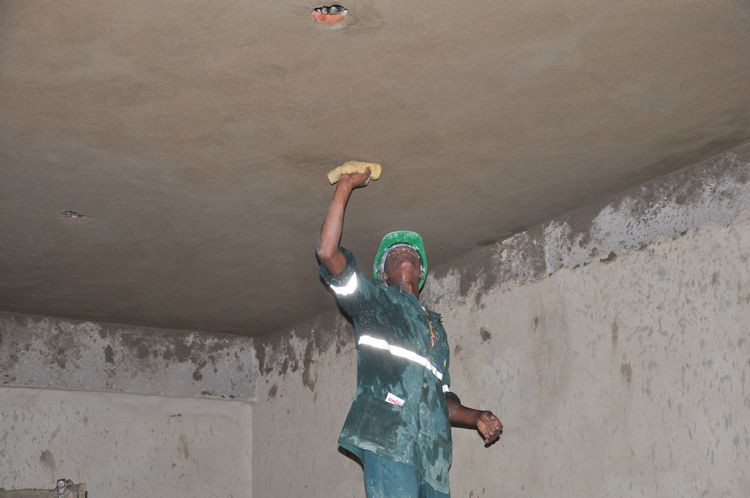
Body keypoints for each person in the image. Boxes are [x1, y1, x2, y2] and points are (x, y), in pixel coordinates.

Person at [316, 168, 503, 498]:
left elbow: (442, 401)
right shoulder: (375, 304)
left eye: (412, 253)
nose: (404, 251)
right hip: (389, 439)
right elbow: (328, 253)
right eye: (394, 253)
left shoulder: (436, 330)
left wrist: (476, 418)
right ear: (383, 274)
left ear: (421, 272)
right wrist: (345, 188)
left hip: (432, 456)